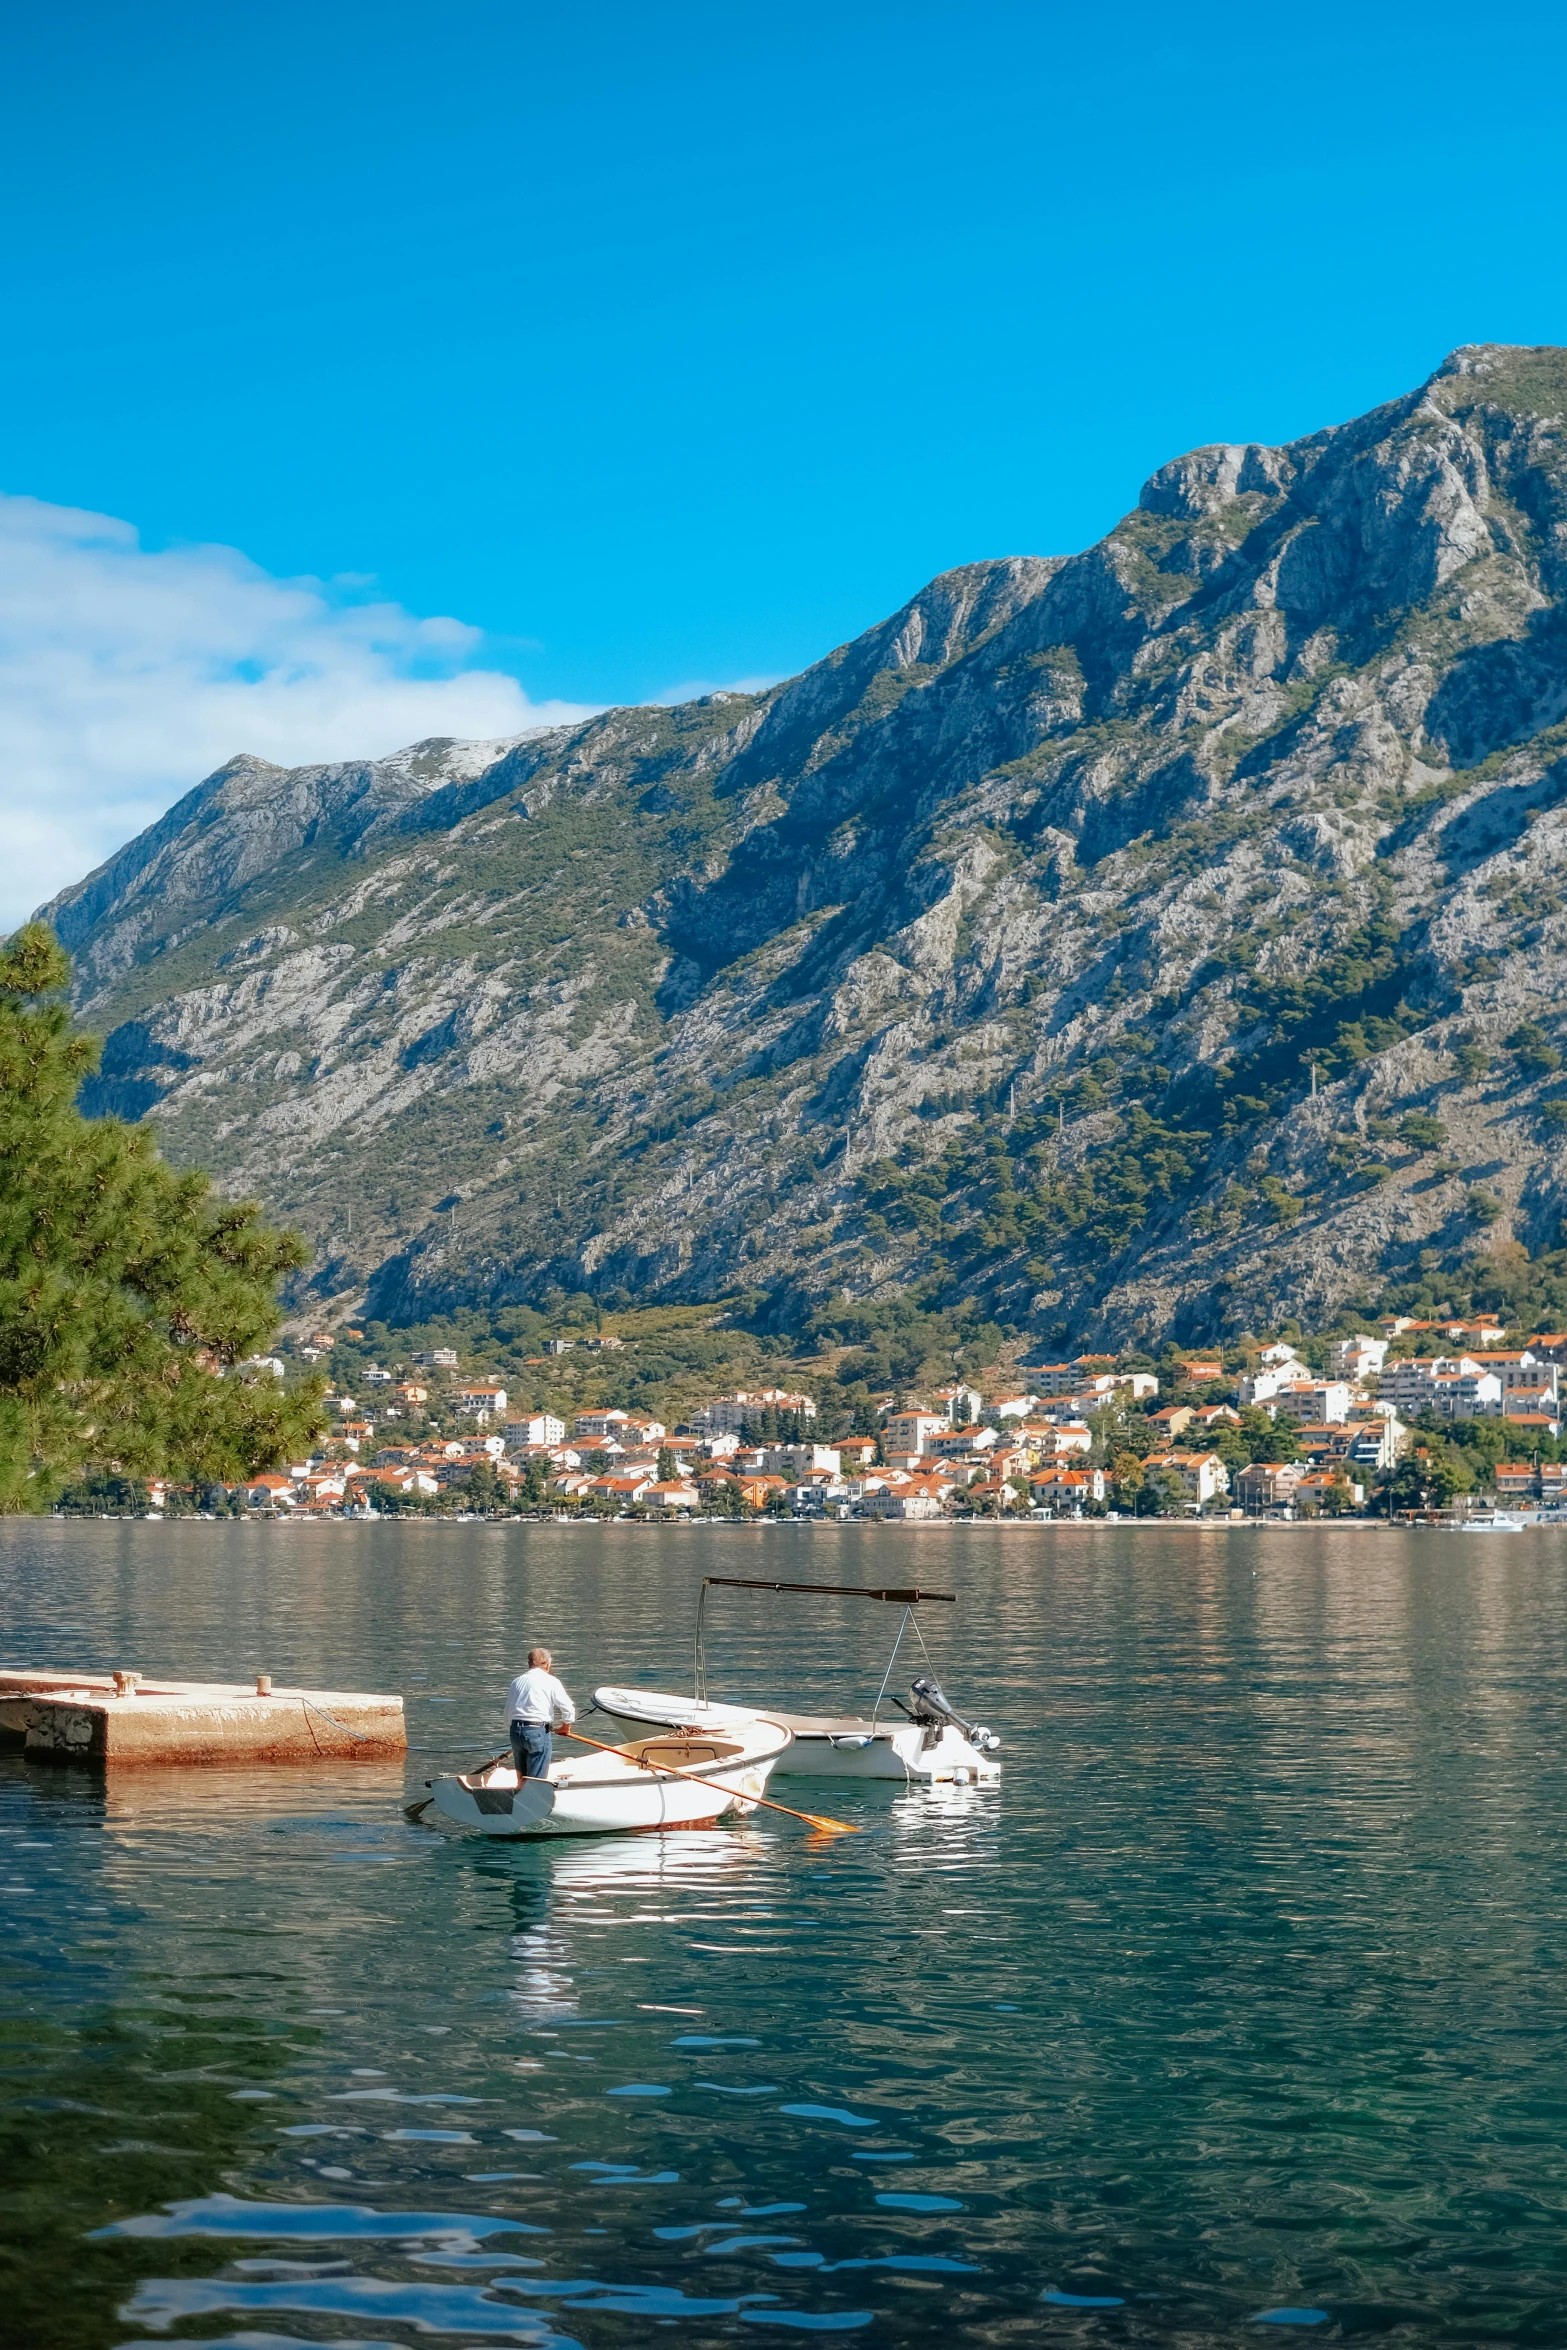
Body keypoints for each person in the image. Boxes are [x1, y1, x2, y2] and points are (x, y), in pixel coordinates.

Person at [504, 1647, 577, 1780]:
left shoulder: (516, 1682)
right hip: (537, 1731)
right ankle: (534, 1797)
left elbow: (508, 1711)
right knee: (536, 1779)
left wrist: (515, 1731)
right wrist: (566, 1726)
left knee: (521, 1778)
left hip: (515, 1731)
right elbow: (567, 1707)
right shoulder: (550, 1681)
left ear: (529, 1663)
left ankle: (521, 1796)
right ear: (548, 1663)